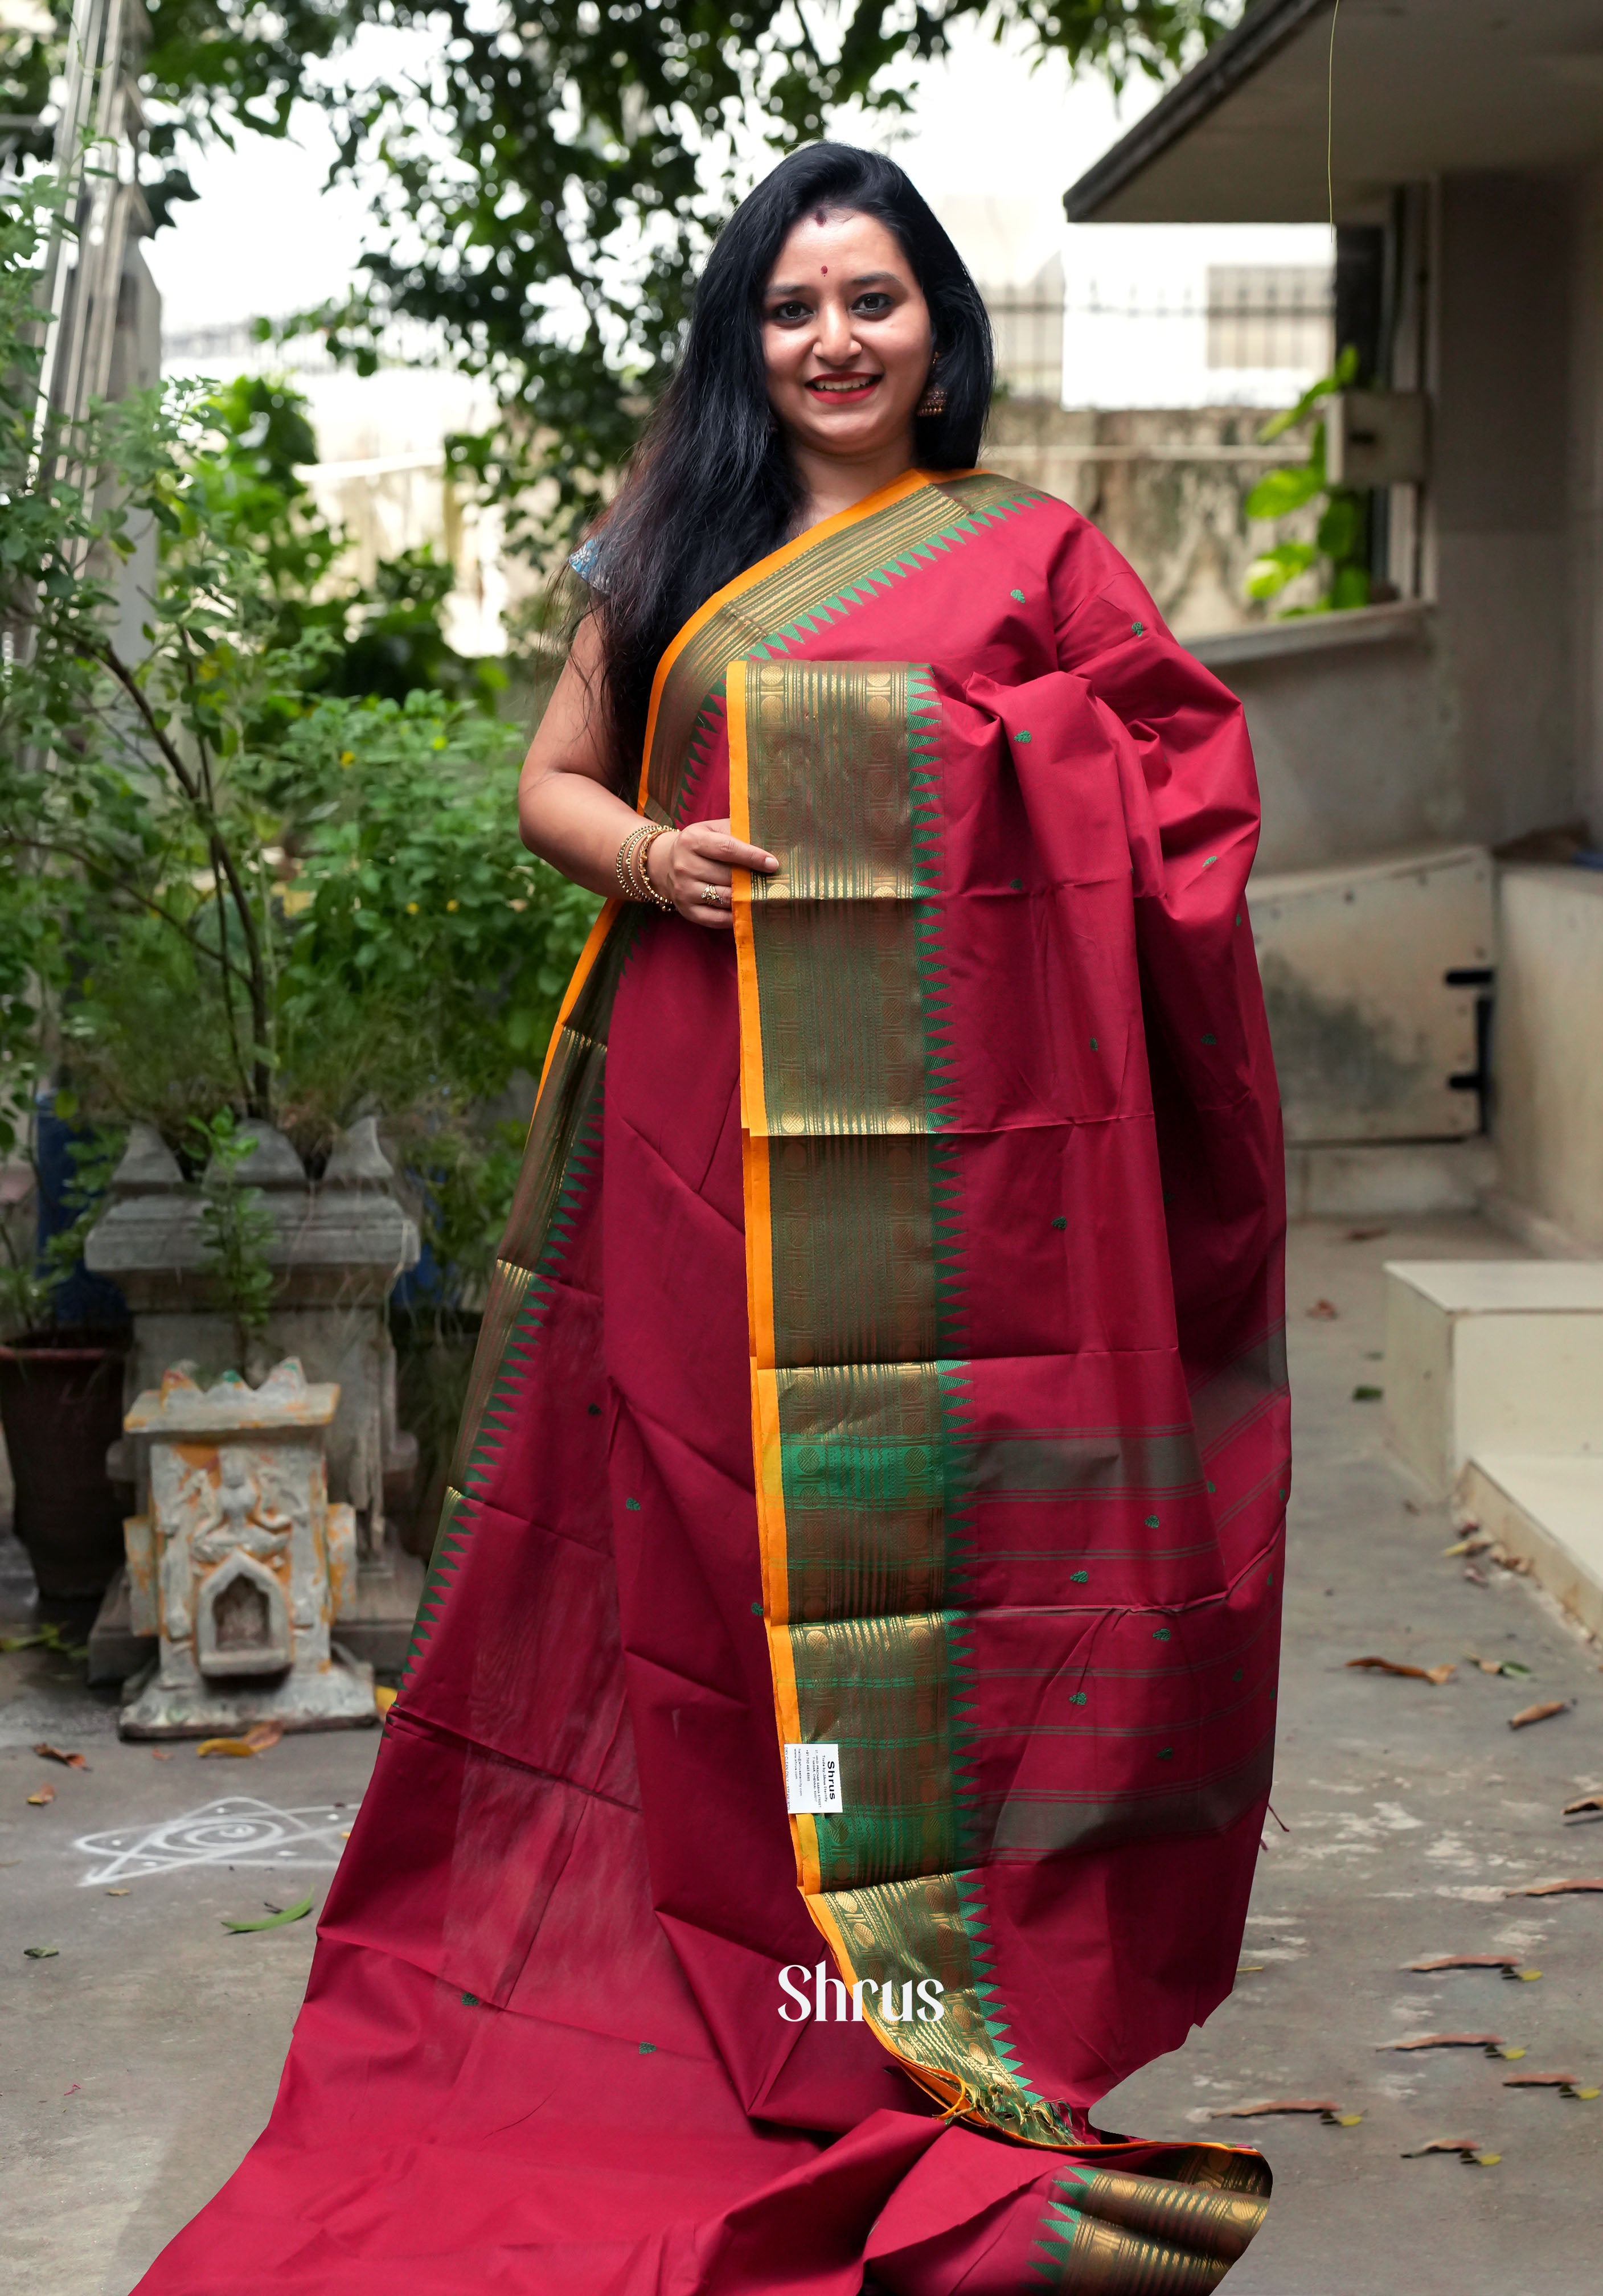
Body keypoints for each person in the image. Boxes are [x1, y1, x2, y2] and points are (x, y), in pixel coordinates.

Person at [138, 141, 1288, 2295]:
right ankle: (755, 1964)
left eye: (874, 299)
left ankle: (912, 1982)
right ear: (745, 338)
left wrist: (956, 765)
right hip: (703, 1125)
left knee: (923, 1555)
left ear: (938, 329)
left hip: (957, 1183)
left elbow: (1180, 801)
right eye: (792, 306)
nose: (835, 340)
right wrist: (653, 859)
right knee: (722, 1534)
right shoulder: (674, 541)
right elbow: (553, 784)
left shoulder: (1037, 556)